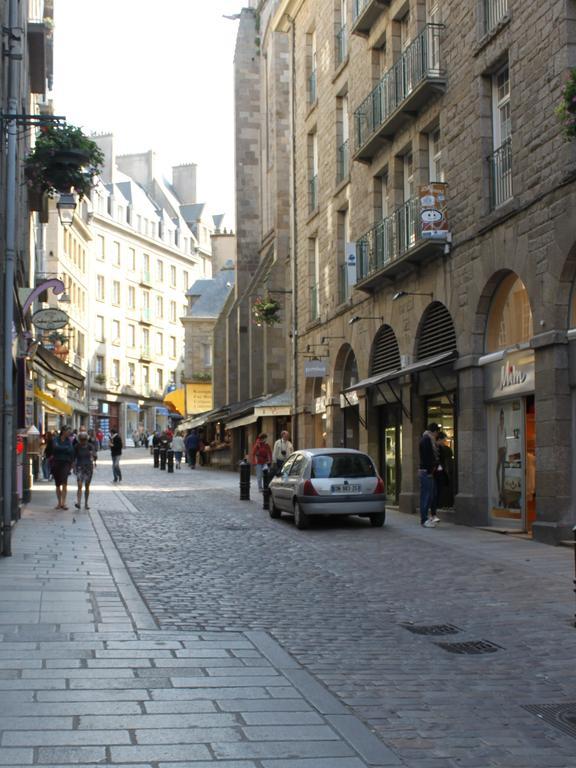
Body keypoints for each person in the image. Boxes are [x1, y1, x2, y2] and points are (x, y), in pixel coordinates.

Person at [418, 422, 440, 527]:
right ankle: (424, 520)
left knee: (428, 495)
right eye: (437, 433)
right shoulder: (427, 440)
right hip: (427, 472)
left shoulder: (426, 439)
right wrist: (430, 471)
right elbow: (427, 457)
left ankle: (426, 518)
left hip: (426, 471)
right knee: (426, 496)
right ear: (434, 432)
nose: (437, 436)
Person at [52, 425, 75, 509]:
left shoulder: (69, 440)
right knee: (57, 484)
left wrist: (72, 462)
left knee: (65, 483)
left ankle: (63, 503)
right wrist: (65, 448)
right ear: (63, 431)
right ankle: (59, 503)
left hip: (65, 463)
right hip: (56, 463)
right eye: (68, 431)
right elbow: (55, 447)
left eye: (69, 431)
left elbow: (71, 450)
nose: (69, 432)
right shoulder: (56, 439)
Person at [73, 431, 96, 510]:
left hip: (88, 467)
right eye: (82, 439)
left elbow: (95, 456)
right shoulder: (77, 446)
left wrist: (93, 455)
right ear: (79, 439)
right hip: (79, 467)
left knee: (87, 486)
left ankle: (86, 503)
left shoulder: (90, 446)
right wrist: (73, 467)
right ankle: (79, 503)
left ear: (86, 439)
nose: (83, 441)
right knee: (79, 485)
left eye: (84, 439)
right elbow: (74, 457)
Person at [435, 431, 454, 509]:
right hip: (440, 472)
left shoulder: (444, 448)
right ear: (439, 439)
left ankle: (443, 504)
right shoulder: (438, 448)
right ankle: (441, 504)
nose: (444, 441)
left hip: (442, 472)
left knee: (442, 489)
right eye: (443, 440)